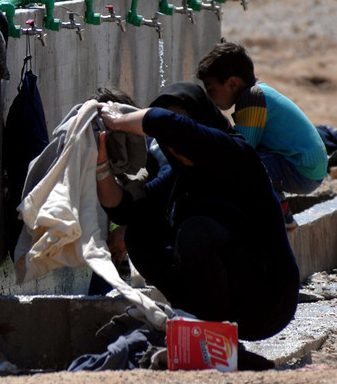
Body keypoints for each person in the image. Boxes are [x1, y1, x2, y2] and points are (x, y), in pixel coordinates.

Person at [96, 82, 298, 342]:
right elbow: (124, 210)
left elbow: (173, 127)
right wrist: (101, 165)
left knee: (197, 231)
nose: (177, 142)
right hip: (225, 302)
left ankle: (211, 337)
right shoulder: (180, 178)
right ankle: (196, 325)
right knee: (139, 234)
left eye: (186, 125)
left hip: (268, 301)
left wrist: (119, 119)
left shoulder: (235, 154)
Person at [195, 40, 327, 226]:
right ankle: (280, 211)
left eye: (211, 89)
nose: (210, 97)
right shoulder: (258, 92)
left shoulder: (252, 98)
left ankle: (276, 215)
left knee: (238, 166)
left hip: (301, 170)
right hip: (307, 167)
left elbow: (241, 149)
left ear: (232, 83)